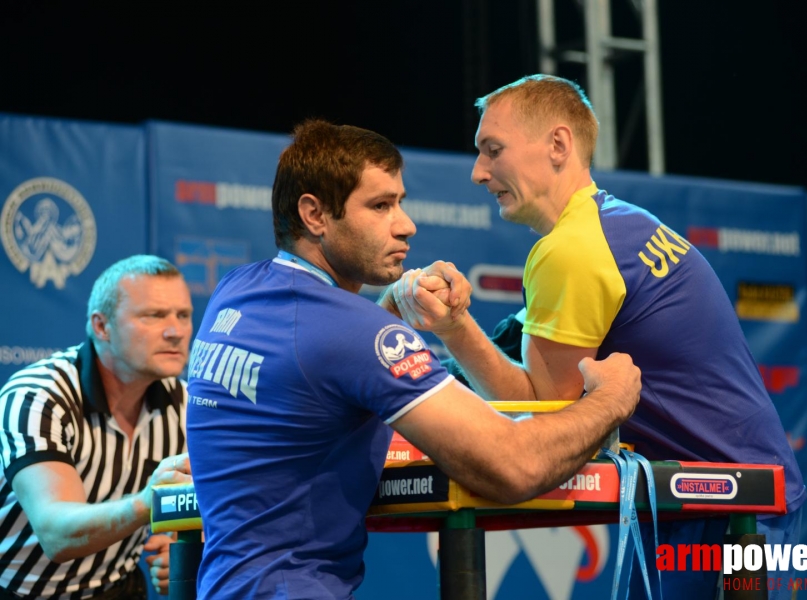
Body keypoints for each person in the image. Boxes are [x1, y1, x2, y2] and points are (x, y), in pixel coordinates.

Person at [185, 118, 642, 600]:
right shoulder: (350, 333)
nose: (406, 225)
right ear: (315, 215)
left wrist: (388, 310)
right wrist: (611, 398)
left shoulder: (235, 292)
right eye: (381, 206)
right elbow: (513, 465)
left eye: (400, 202)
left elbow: (318, 373)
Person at [391, 74, 807, 600]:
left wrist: (452, 328)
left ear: (558, 145)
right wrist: (458, 329)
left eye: (492, 151)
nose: (478, 173)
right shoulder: (614, 225)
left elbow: (540, 415)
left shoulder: (573, 249)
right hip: (705, 501)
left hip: (730, 513)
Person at [0, 255, 194, 599]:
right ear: (102, 326)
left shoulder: (184, 401)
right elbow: (55, 534)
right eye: (153, 315)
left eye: (183, 315)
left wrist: (181, 544)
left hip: (118, 587)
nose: (175, 331)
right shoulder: (38, 395)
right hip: (20, 591)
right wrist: (146, 505)